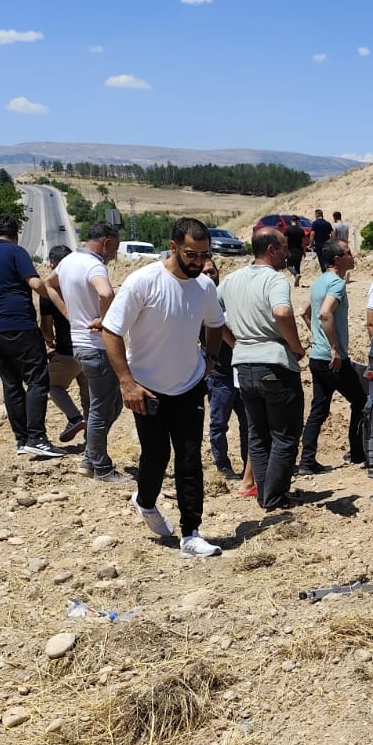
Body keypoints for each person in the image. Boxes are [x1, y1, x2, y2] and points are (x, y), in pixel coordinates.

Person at [101, 217, 224, 556]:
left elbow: (216, 323)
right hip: (148, 390)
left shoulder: (205, 287)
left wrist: (210, 358)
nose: (199, 262)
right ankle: (145, 501)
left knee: (189, 459)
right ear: (173, 247)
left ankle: (191, 533)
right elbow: (111, 331)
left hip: (189, 386)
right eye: (191, 254)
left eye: (203, 254)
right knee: (156, 457)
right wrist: (127, 383)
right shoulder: (143, 281)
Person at [0, 217, 62, 458]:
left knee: (11, 382)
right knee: (37, 379)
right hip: (21, 325)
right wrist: (61, 300)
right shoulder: (17, 252)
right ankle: (37, 437)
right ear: (15, 235)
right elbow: (35, 283)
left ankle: (22, 440)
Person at [220, 229, 307, 512]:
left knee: (257, 434)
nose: (288, 253)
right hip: (274, 362)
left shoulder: (232, 279)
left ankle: (264, 494)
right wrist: (296, 346)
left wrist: (233, 342)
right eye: (284, 248)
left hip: (243, 364)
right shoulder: (275, 280)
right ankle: (276, 497)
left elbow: (210, 314)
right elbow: (282, 313)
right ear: (271, 250)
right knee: (285, 433)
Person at [46, 220, 126, 481]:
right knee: (102, 410)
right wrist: (105, 319)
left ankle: (91, 457)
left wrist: (68, 312)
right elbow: (106, 293)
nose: (114, 255)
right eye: (114, 248)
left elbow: (47, 284)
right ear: (105, 243)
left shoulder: (68, 261)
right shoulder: (94, 265)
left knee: (111, 405)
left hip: (80, 346)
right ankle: (100, 467)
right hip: (98, 347)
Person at [300, 239, 365, 474]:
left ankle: (307, 461)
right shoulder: (337, 283)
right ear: (337, 259)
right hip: (333, 359)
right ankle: (358, 452)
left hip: (318, 358)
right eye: (348, 253)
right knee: (360, 401)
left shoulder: (319, 282)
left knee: (319, 409)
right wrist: (334, 348)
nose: (352, 256)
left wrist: (317, 338)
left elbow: (305, 312)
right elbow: (325, 313)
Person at [202, 258, 249, 481]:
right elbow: (215, 326)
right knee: (219, 423)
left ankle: (250, 462)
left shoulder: (226, 298)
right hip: (219, 373)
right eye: (205, 272)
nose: (210, 275)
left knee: (248, 420)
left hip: (239, 371)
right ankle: (223, 465)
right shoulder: (201, 301)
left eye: (213, 271)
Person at [38, 245, 89, 445]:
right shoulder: (84, 284)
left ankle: (74, 418)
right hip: (90, 348)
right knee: (89, 397)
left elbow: (47, 330)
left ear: (52, 265)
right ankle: (92, 438)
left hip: (67, 352)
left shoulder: (49, 293)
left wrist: (50, 341)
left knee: (51, 384)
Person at [284, 217, 306, 286]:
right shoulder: (301, 230)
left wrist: (285, 251)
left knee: (289, 265)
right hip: (299, 250)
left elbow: (285, 241)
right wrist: (304, 251)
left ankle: (296, 274)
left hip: (291, 250)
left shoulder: (287, 230)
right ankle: (297, 282)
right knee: (297, 265)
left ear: (291, 221)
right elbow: (304, 242)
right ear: (297, 221)